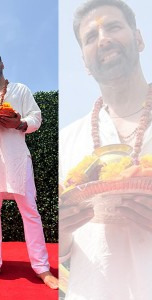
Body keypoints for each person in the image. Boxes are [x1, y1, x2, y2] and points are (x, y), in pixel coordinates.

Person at [59, 0, 152, 299]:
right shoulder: (68, 139)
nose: (104, 39)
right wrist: (61, 229)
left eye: (113, 27)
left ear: (138, 39)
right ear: (85, 63)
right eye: (90, 37)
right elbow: (63, 252)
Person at [0, 51, 58, 288]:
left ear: (2, 64)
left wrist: (18, 123)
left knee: (30, 210)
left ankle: (42, 267)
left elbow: (36, 118)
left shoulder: (20, 90)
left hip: (16, 157)